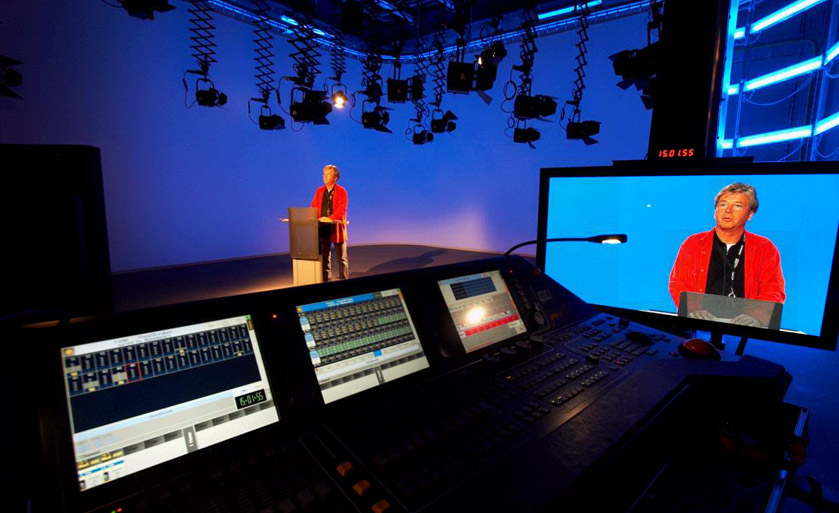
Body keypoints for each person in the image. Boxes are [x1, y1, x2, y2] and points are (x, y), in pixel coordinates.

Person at [668, 182, 785, 326]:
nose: (728, 210)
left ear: (750, 214)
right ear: (715, 211)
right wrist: (693, 310)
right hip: (700, 323)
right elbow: (678, 282)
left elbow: (773, 289)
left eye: (737, 206)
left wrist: (756, 317)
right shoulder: (693, 243)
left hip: (744, 327)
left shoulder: (765, 248)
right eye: (723, 204)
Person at [310, 164, 348, 281]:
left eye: (328, 174)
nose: (325, 177)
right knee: (325, 257)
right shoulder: (319, 190)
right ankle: (326, 281)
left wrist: (330, 218)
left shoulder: (341, 191)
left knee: (341, 258)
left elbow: (342, 209)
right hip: (323, 228)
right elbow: (313, 207)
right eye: (324, 174)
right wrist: (313, 218)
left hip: (336, 228)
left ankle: (344, 281)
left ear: (335, 177)